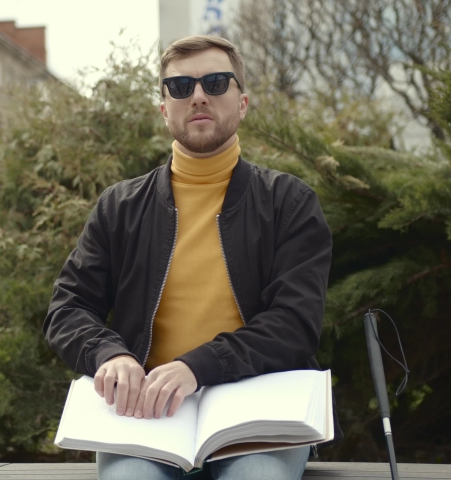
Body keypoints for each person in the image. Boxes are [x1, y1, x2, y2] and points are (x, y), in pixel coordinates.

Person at [44, 35, 337, 480]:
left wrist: (197, 367)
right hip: (148, 414)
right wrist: (109, 355)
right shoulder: (119, 206)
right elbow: (67, 309)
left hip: (257, 406)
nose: (198, 95)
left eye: (216, 82)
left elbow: (295, 324)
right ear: (165, 109)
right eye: (180, 87)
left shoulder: (289, 203)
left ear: (242, 103)